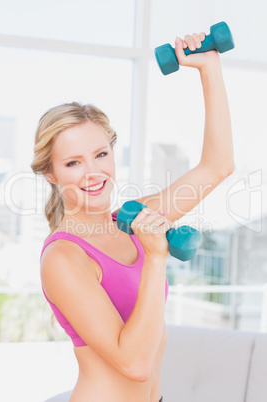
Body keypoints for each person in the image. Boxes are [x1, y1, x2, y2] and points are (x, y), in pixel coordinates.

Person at [31, 30, 234, 402]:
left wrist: (210, 69)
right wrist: (156, 258)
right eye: (73, 162)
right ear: (51, 173)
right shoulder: (63, 258)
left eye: (101, 154)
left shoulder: (132, 219)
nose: (93, 172)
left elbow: (216, 166)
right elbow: (134, 364)